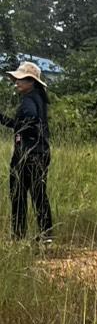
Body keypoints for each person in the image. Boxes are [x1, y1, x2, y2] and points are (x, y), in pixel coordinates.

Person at [2, 61, 53, 242]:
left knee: (18, 194)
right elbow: (23, 123)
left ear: (31, 81)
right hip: (40, 152)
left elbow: (30, 119)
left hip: (27, 153)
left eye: (21, 79)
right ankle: (46, 234)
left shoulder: (29, 100)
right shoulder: (38, 98)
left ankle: (18, 235)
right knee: (39, 194)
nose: (16, 82)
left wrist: (21, 131)